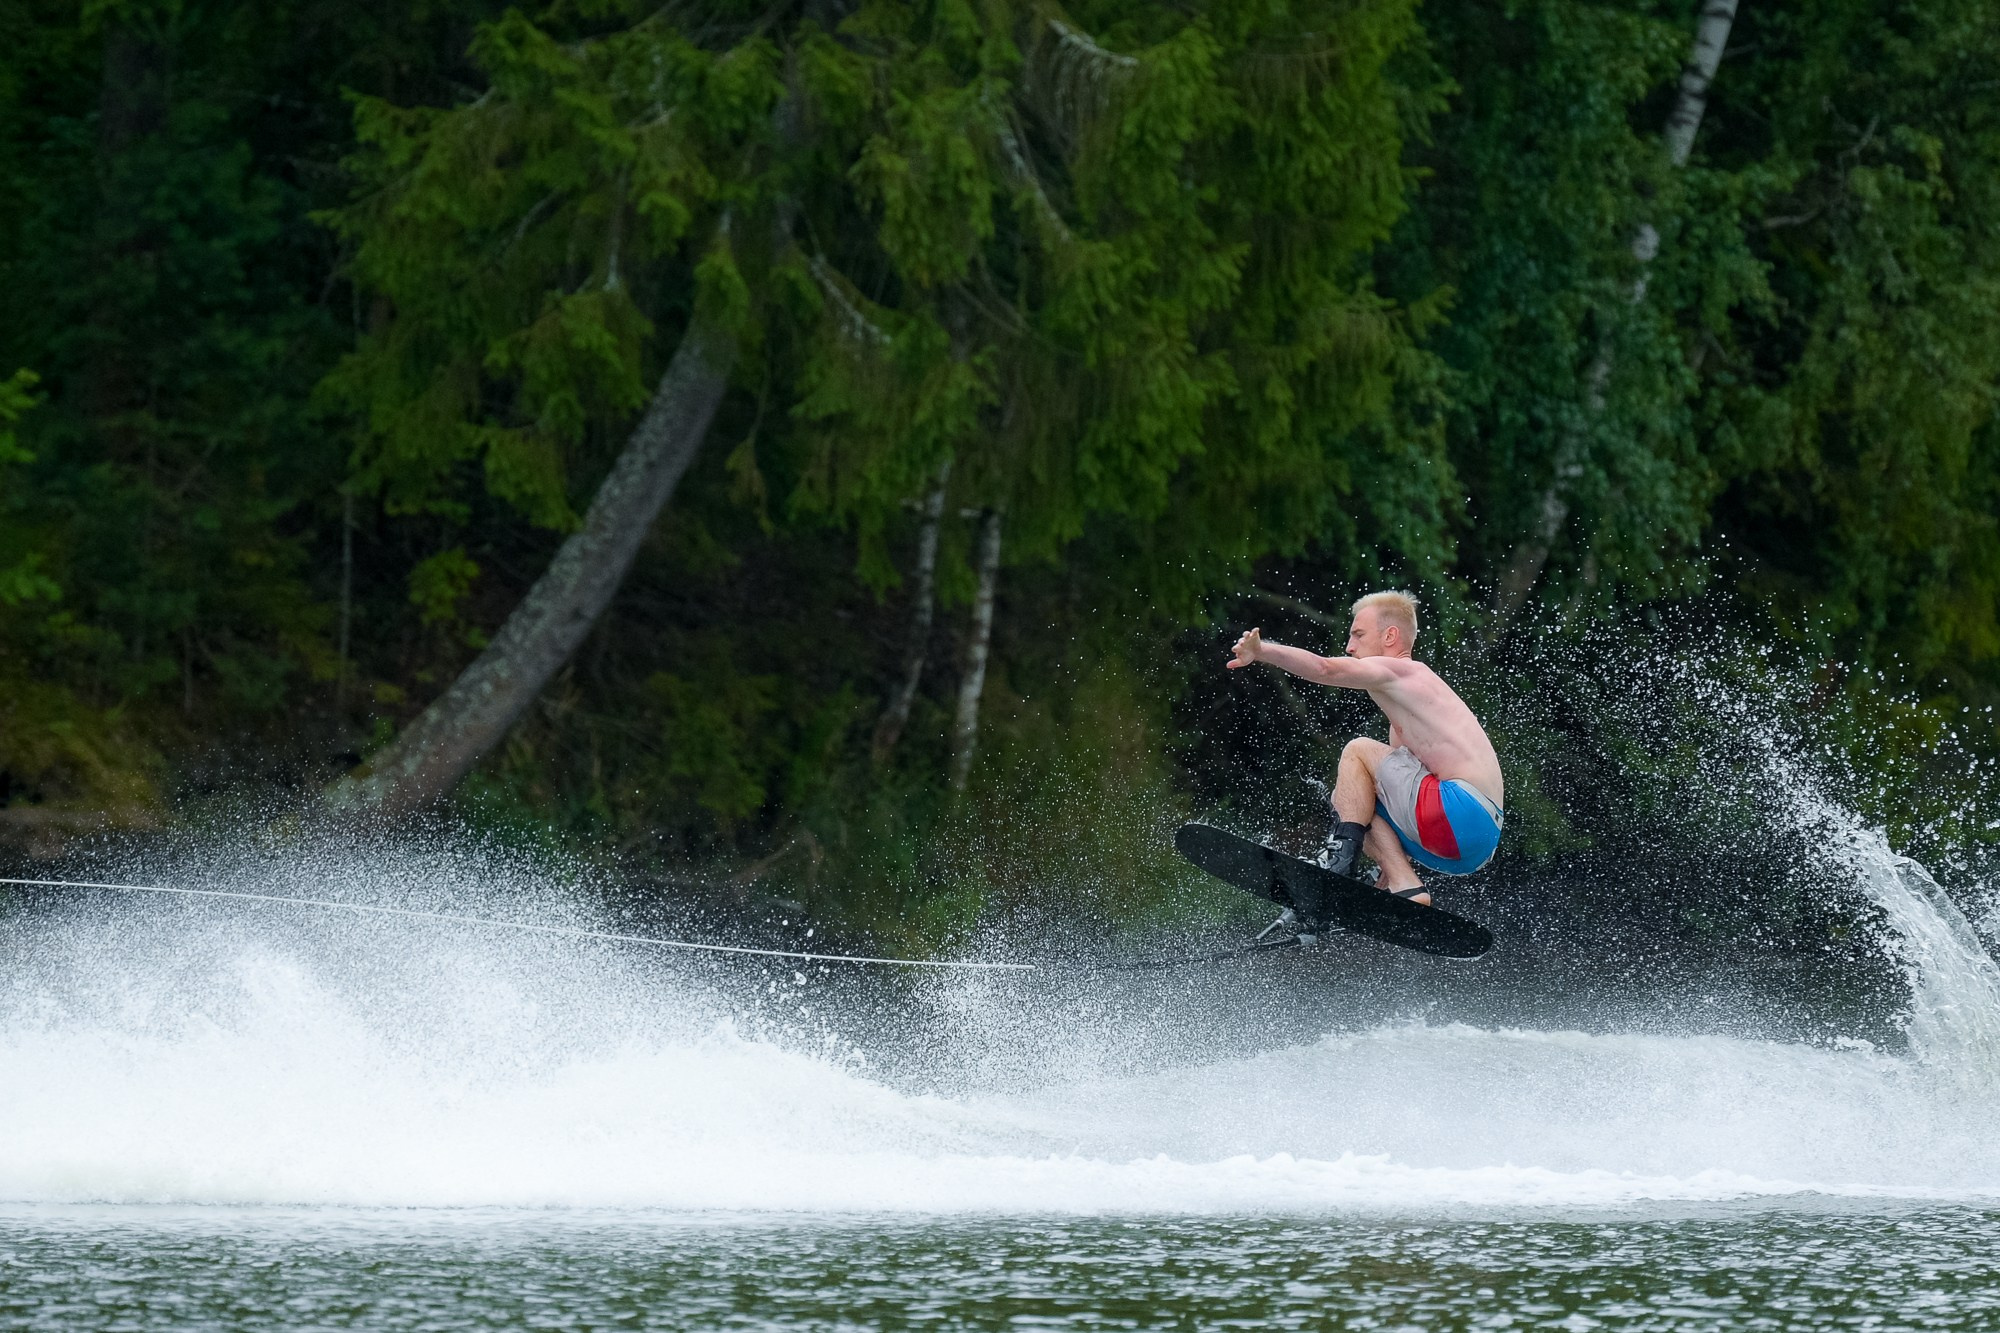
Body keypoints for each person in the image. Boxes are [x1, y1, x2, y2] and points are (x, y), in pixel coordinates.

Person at [1227, 590, 1503, 907]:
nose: (1349, 646)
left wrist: (1263, 651)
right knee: (1350, 799)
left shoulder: (1406, 671)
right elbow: (1399, 794)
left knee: (1358, 750)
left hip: (1461, 812)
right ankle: (1402, 883)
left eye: (1358, 634)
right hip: (1471, 849)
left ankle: (1339, 865)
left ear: (1390, 636)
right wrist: (1388, 855)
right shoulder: (1407, 709)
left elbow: (1325, 669)